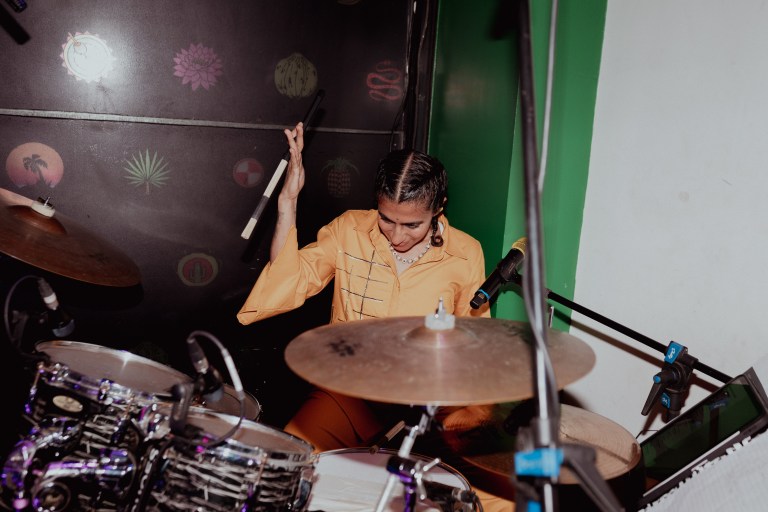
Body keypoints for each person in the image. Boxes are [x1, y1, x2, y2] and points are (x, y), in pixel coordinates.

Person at [237, 122, 514, 511]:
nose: (397, 235)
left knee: (501, 496)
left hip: (431, 403)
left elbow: (474, 339)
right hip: (350, 394)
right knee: (285, 470)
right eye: (387, 219)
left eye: (412, 224)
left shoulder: (466, 253)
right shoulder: (349, 230)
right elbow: (290, 278)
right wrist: (288, 200)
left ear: (439, 207)